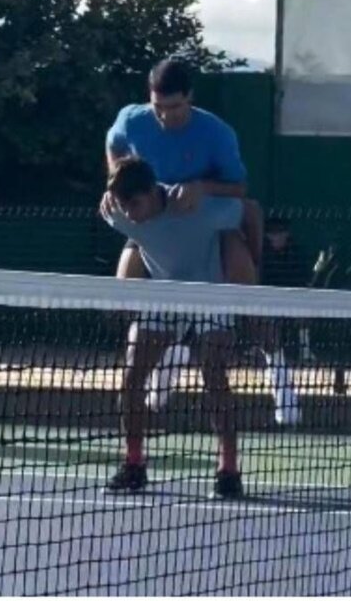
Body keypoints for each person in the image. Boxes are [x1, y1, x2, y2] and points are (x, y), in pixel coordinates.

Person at [100, 157, 246, 499]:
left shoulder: (202, 209)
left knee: (214, 374)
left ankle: (228, 470)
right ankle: (134, 464)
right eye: (124, 205)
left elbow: (246, 209)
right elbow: (115, 213)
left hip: (210, 294)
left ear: (153, 192)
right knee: (132, 376)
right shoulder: (117, 215)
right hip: (162, 297)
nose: (130, 213)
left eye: (135, 204)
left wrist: (250, 291)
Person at [101, 58, 263, 286]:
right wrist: (119, 185)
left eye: (174, 107)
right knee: (126, 276)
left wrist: (201, 188)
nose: (165, 116)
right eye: (158, 107)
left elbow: (239, 189)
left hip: (202, 228)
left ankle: (249, 307)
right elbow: (113, 143)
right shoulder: (131, 121)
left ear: (190, 96)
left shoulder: (218, 134)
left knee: (235, 248)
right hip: (151, 224)